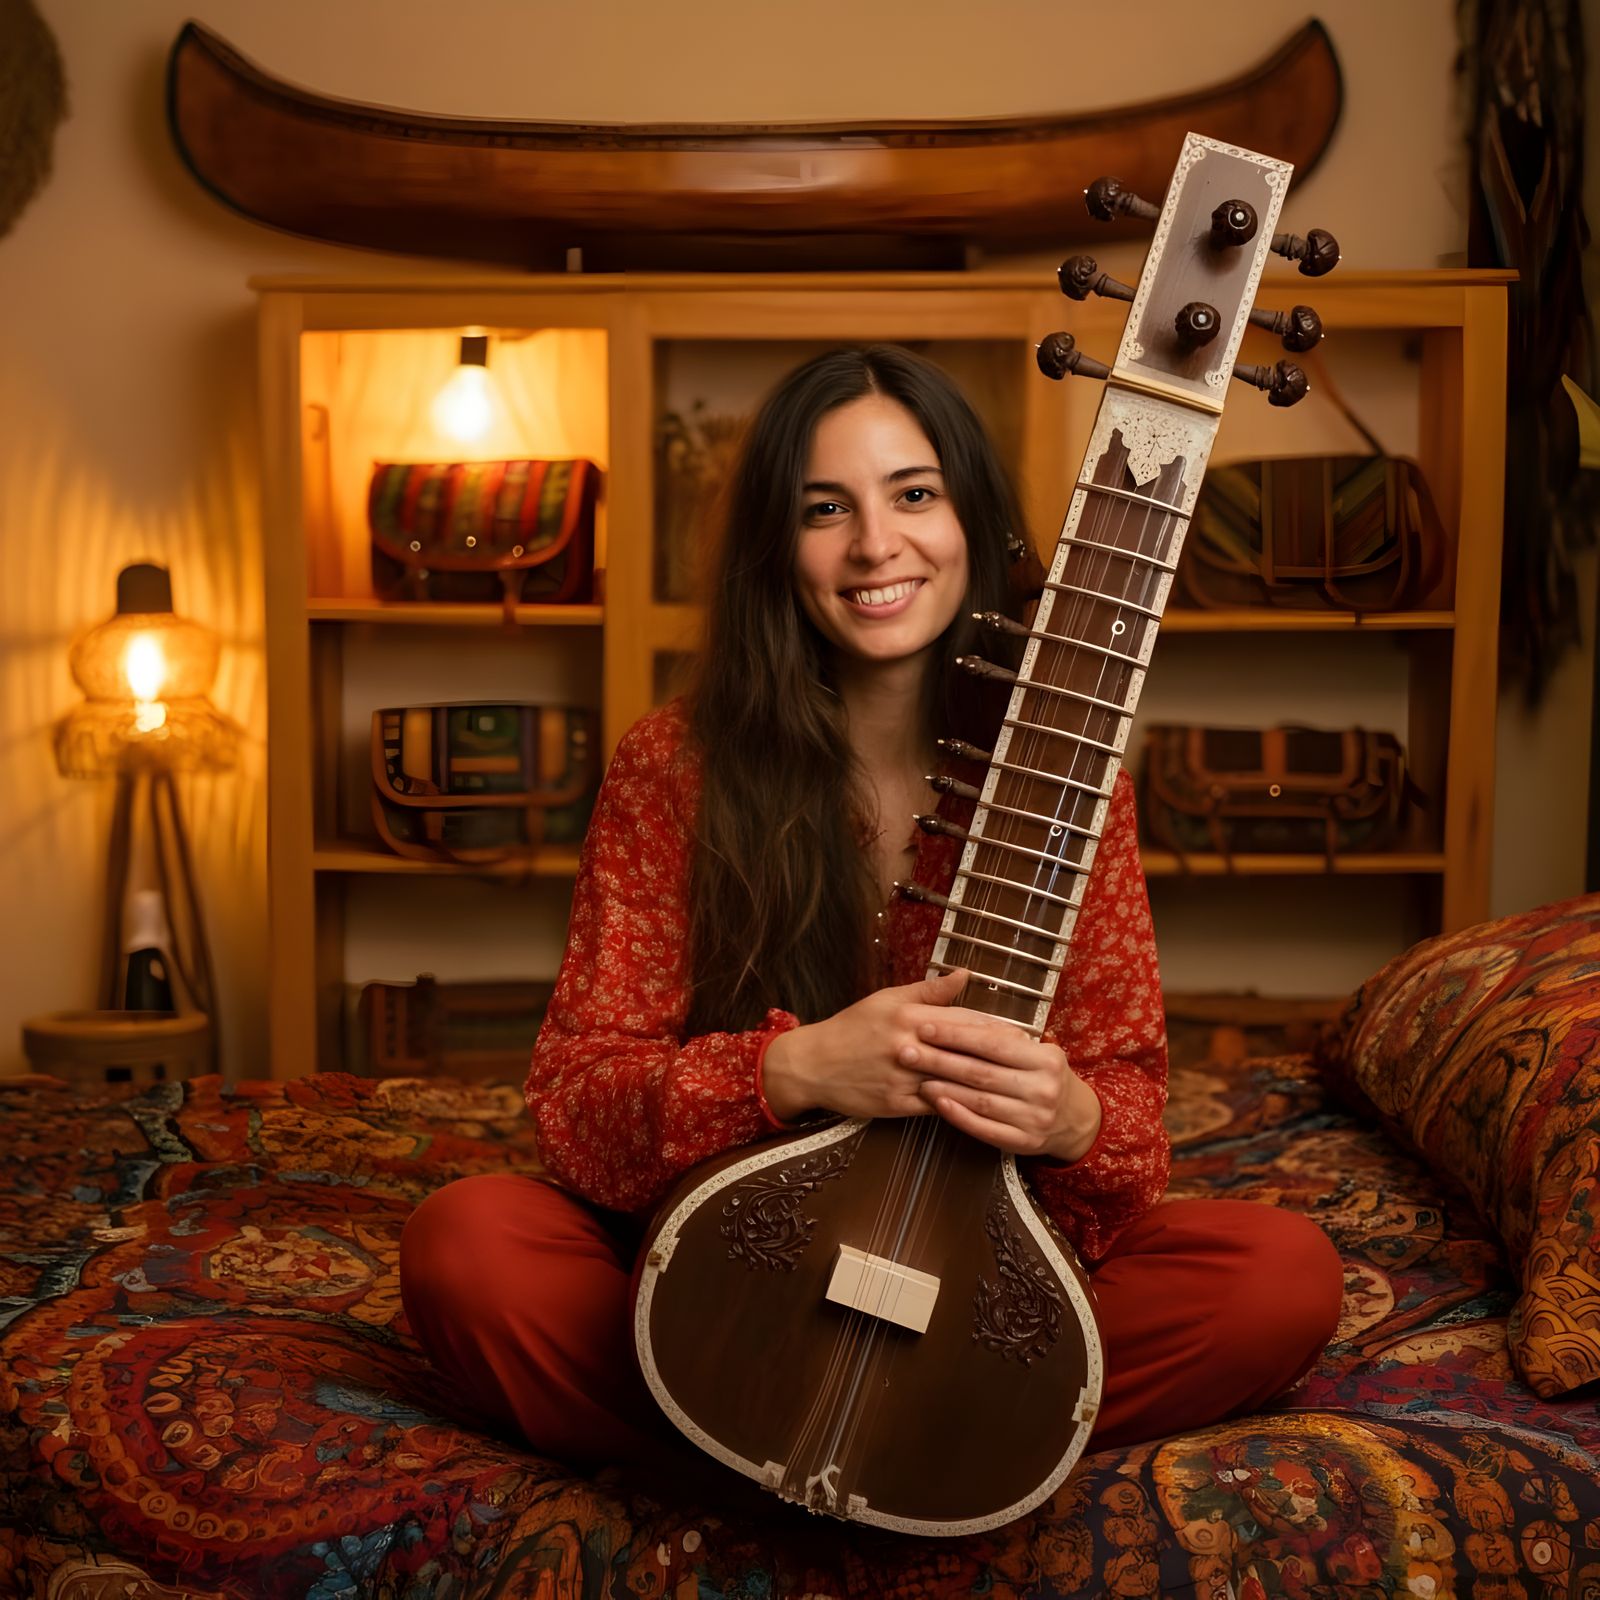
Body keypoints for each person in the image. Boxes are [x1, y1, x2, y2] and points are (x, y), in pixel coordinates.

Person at [399, 345, 1344, 1480]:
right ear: (774, 547)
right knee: (469, 1247)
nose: (874, 546)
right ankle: (897, 1440)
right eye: (823, 508)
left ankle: (759, 1439)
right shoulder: (677, 762)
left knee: (1278, 1276)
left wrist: (1070, 1116)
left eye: (912, 494)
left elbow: (1133, 1110)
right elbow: (576, 1103)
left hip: (972, 1255)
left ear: (971, 519)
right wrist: (793, 1069)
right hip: (722, 1258)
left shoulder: (1072, 783)